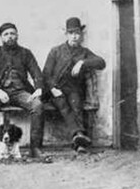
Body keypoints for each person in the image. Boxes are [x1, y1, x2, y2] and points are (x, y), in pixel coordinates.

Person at [0, 22, 47, 161]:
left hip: (20, 92)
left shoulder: (26, 53)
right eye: (6, 34)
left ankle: (35, 149)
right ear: (1, 37)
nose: (10, 36)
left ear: (17, 35)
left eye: (12, 33)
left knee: (37, 106)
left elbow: (37, 73)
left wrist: (39, 88)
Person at [43, 17, 106, 154]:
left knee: (76, 104)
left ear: (81, 35)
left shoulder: (84, 52)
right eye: (71, 33)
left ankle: (79, 142)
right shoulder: (56, 51)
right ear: (66, 34)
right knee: (63, 104)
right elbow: (46, 74)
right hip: (55, 90)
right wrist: (53, 89)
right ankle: (79, 135)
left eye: (77, 33)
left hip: (73, 90)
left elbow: (101, 62)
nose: (74, 36)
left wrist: (82, 62)